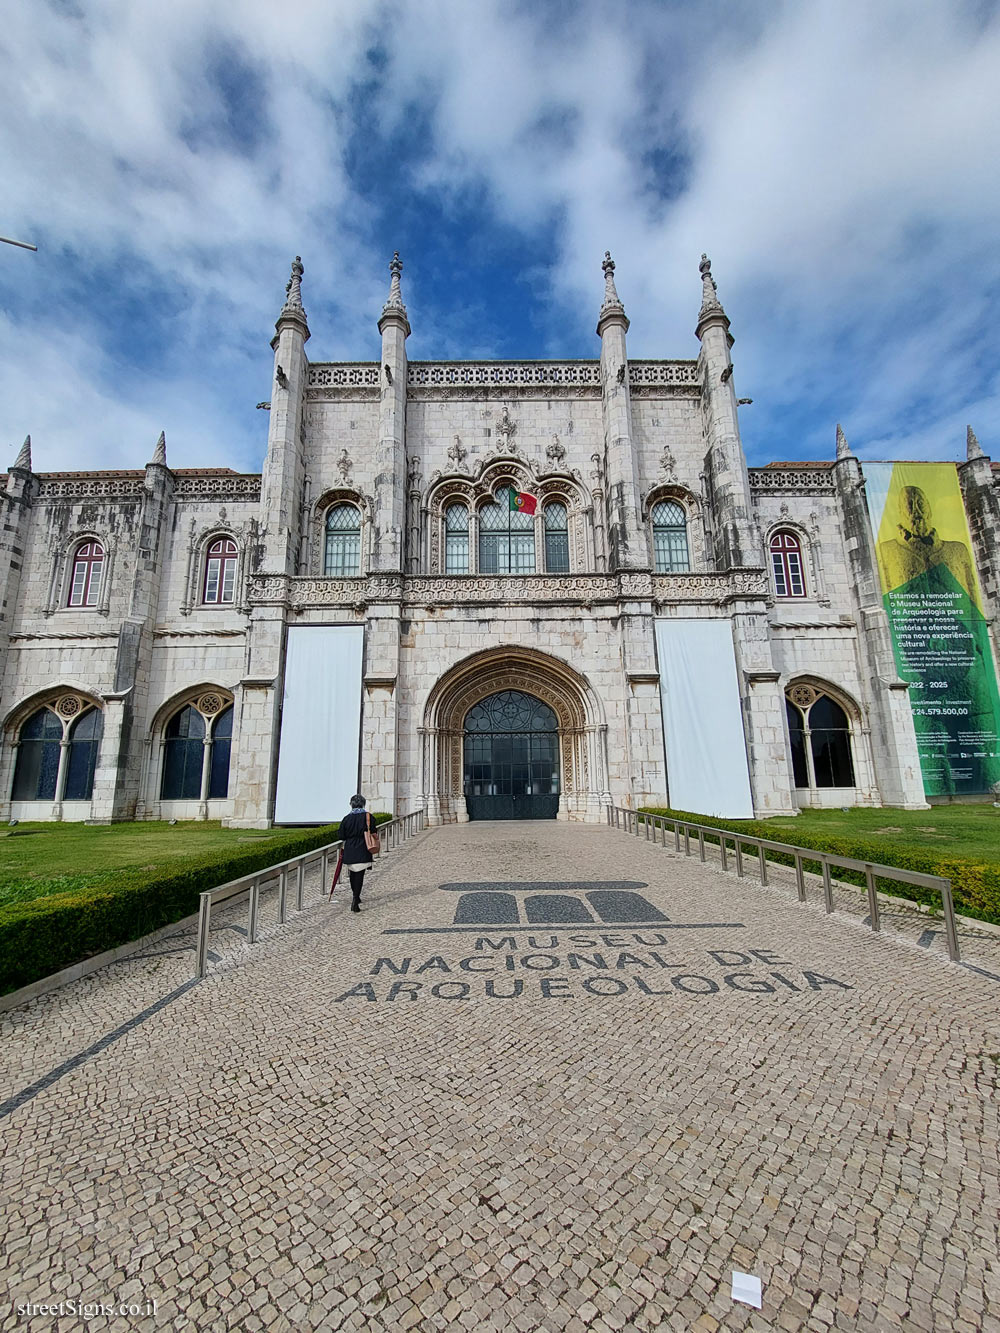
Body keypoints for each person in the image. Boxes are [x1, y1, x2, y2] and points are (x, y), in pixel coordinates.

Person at [337, 794, 373, 912]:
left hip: (351, 849)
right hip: (363, 847)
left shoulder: (346, 819)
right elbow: (374, 831)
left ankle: (355, 896)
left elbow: (341, 835)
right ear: (363, 804)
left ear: (351, 804)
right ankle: (356, 898)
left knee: (353, 873)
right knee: (360, 874)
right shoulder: (368, 817)